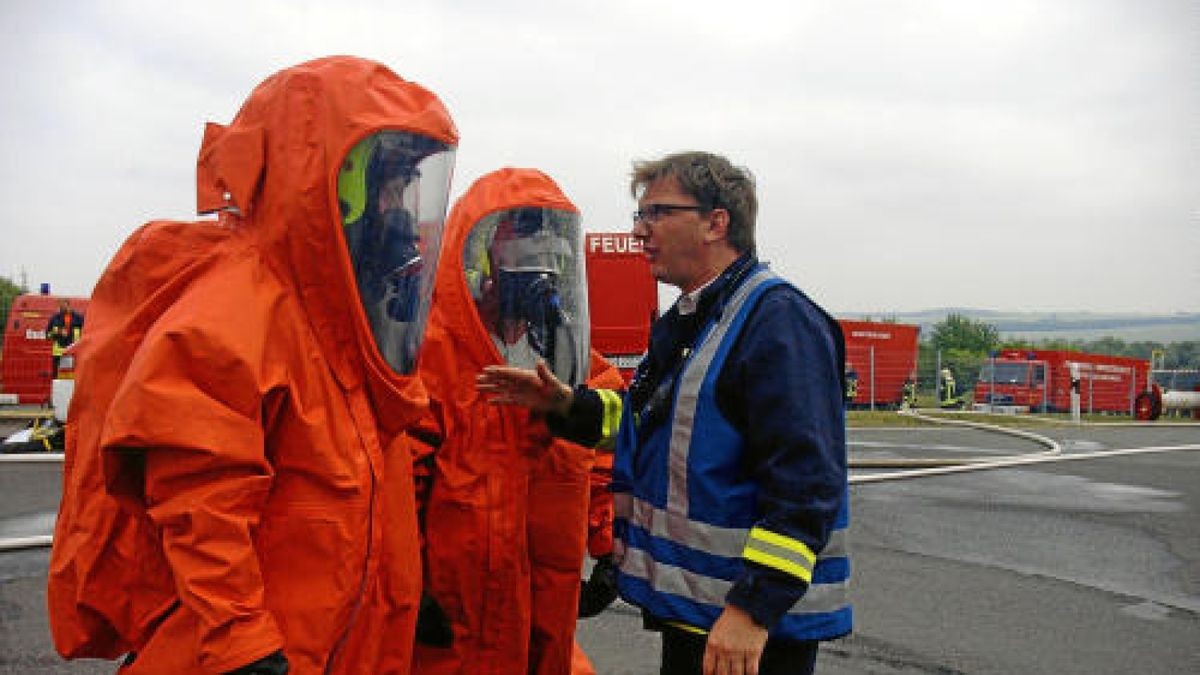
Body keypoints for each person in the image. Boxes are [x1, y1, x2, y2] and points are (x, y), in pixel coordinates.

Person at [47, 56, 459, 674]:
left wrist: (404, 584)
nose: (402, 212)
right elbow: (199, 495)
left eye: (409, 188)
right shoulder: (240, 304)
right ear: (337, 184)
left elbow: (362, 491)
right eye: (390, 187)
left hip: (334, 644)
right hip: (248, 653)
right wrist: (243, 643)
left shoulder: (345, 320)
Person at [478, 151, 852, 675]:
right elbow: (650, 427)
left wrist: (753, 609)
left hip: (750, 631)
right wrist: (565, 405)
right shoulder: (695, 317)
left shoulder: (777, 321)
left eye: (657, 214)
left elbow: (807, 484)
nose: (639, 232)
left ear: (715, 223)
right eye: (639, 216)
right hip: (697, 614)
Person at [411, 168, 625, 674]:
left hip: (546, 590)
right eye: (523, 254)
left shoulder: (568, 352)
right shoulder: (439, 350)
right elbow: (405, 473)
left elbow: (606, 446)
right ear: (483, 256)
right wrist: (410, 579)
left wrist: (608, 543)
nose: (538, 275)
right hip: (459, 599)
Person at [45, 299, 84, 378]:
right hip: (58, 353)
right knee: (56, 378)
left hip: (73, 352)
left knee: (73, 377)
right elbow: (47, 335)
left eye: (63, 305)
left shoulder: (78, 318)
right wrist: (59, 332)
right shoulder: (54, 318)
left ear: (68, 305)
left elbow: (85, 332)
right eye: (60, 306)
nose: (61, 308)